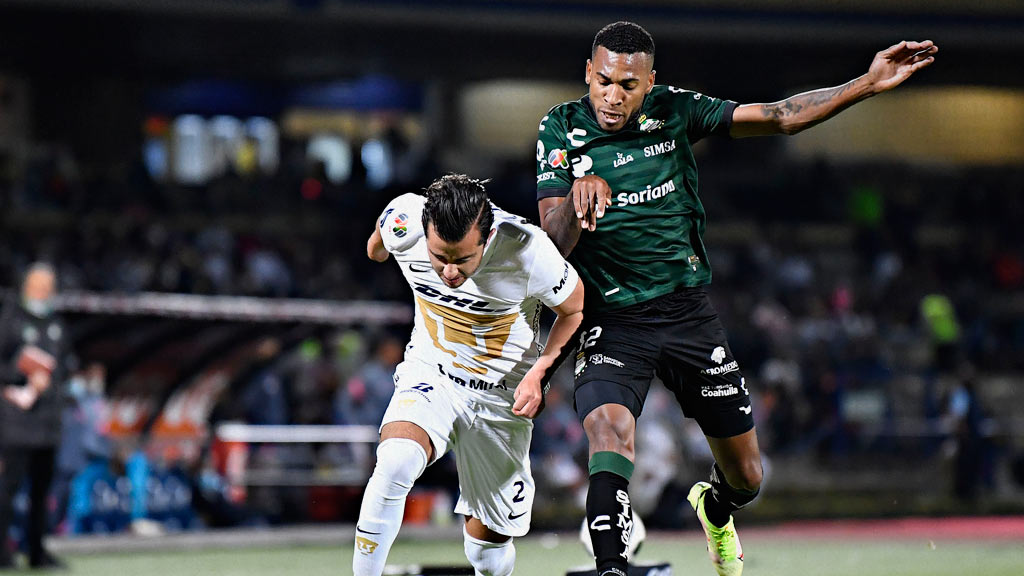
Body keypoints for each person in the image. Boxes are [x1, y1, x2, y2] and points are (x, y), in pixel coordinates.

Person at [535, 21, 937, 576]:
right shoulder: (560, 127)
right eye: (604, 81)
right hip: (613, 317)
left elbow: (779, 116)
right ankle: (611, 569)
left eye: (628, 85)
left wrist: (866, 84)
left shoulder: (675, 110)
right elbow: (552, 244)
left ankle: (716, 507)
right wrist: (574, 204)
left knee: (747, 476)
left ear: (649, 82)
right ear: (588, 73)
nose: (613, 95)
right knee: (608, 430)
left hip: (686, 313)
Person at [354, 174, 584, 576]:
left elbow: (575, 310)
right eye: (439, 256)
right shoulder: (405, 219)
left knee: (487, 553)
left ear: (488, 236)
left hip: (501, 398)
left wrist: (540, 373)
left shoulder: (528, 250)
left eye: (461, 260)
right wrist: (380, 245)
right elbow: (377, 244)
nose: (448, 272)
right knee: (395, 462)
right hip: (433, 374)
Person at [0, 263, 69, 569]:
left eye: (47, 288)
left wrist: (51, 382)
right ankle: (2, 551)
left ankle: (37, 551)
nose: (43, 293)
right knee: (8, 488)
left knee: (42, 493)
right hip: (16, 422)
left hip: (47, 423)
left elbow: (64, 366)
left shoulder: (56, 323)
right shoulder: (10, 320)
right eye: (37, 287)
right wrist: (20, 374)